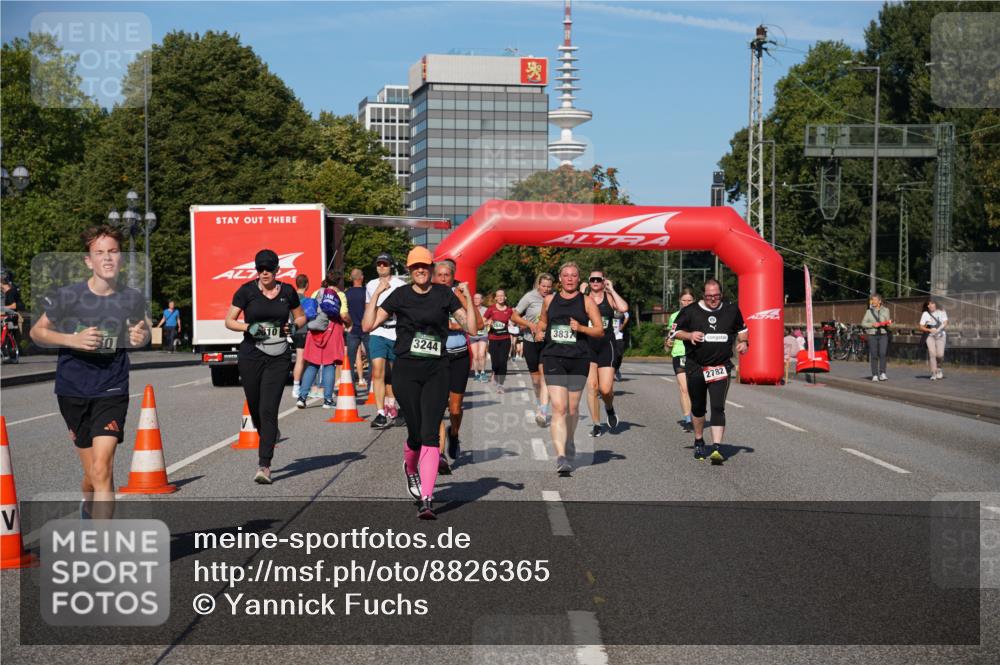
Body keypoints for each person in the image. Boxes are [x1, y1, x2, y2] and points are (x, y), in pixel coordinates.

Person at [30, 225, 151, 519]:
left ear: (120, 258)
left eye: (112, 252)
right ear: (89, 261)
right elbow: (37, 332)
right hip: (72, 389)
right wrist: (72, 339)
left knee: (102, 468)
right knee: (91, 475)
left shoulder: (131, 297)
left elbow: (141, 328)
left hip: (112, 388)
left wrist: (140, 335)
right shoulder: (69, 296)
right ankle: (88, 506)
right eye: (99, 253)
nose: (107, 258)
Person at [363, 246, 476, 519]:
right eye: (415, 267)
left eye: (425, 266)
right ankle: (410, 469)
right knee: (415, 432)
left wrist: (468, 300)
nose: (421, 271)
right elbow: (367, 326)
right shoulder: (399, 295)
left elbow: (472, 328)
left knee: (429, 433)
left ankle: (427, 498)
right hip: (406, 370)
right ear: (410, 271)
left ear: (431, 268)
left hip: (437, 369)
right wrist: (378, 293)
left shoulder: (444, 294)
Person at [225, 249, 306, 484]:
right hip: (251, 354)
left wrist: (294, 325)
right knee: (255, 406)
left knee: (268, 409)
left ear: (276, 270)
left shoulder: (288, 292)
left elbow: (301, 317)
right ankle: (269, 435)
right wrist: (248, 327)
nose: (264, 272)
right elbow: (229, 320)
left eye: (268, 268)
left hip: (278, 355)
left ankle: (264, 465)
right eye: (260, 268)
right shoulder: (246, 291)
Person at [537, 262, 604, 475]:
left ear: (578, 278)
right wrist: (539, 331)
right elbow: (542, 322)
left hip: (578, 358)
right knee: (559, 407)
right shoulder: (549, 300)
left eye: (574, 276)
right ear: (560, 278)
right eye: (566, 275)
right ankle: (561, 456)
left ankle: (571, 438)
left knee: (573, 410)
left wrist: (582, 328)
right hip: (553, 356)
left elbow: (600, 330)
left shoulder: (587, 301)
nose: (569, 279)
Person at [671, 278, 748, 464]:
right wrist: (689, 335)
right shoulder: (690, 312)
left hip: (720, 367)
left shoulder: (731, 309)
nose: (713, 299)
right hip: (696, 366)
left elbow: (742, 329)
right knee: (698, 408)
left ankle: (717, 447)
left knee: (717, 407)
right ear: (703, 295)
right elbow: (675, 333)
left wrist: (743, 342)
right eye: (709, 296)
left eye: (716, 296)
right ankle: (699, 439)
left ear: (721, 294)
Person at [433, 260, 484, 472]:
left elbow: (479, 324)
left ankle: (454, 434)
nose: (444, 278)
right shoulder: (429, 294)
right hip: (436, 357)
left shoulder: (458, 294)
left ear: (452, 277)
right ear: (434, 276)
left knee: (454, 408)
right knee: (436, 408)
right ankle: (439, 454)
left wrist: (455, 321)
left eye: (447, 275)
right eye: (440, 275)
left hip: (459, 356)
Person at [584, 270, 629, 437]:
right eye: (592, 279)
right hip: (588, 345)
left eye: (599, 279)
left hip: (606, 345)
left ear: (603, 281)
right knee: (592, 387)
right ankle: (596, 424)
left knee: (605, 389)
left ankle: (609, 409)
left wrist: (612, 289)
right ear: (589, 282)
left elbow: (624, 308)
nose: (595, 282)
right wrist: (581, 292)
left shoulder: (609, 298)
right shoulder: (584, 298)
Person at [297, 275, 349, 408]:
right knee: (329, 365)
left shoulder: (317, 292)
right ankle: (327, 400)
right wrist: (350, 323)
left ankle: (302, 397)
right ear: (339, 281)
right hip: (332, 331)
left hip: (315, 331)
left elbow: (311, 310)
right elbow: (343, 315)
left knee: (312, 365)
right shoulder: (340, 295)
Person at [366, 253, 405, 429]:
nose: (382, 267)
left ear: (391, 266)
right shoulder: (371, 284)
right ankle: (380, 413)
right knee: (377, 372)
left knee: (397, 375)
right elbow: (369, 308)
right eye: (379, 264)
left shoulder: (400, 285)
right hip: (377, 331)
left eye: (385, 264)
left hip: (396, 332)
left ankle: (400, 406)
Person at [512, 273, 554, 427]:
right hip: (530, 342)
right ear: (538, 285)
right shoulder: (529, 297)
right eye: (544, 286)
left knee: (545, 377)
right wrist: (530, 325)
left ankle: (543, 410)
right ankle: (539, 402)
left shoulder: (554, 298)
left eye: (549, 286)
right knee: (536, 381)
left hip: (547, 343)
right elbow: (514, 316)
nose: (546, 289)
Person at [666, 288, 696, 433]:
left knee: (694, 389)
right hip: (679, 353)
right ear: (679, 301)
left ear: (694, 301)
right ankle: (688, 420)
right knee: (684, 388)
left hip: (695, 355)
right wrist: (668, 343)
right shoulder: (674, 316)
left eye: (689, 300)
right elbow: (669, 336)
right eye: (684, 300)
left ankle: (697, 414)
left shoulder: (699, 315)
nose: (686, 303)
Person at [345, 268, 371, 389]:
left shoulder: (347, 293)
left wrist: (347, 325)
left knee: (350, 361)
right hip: (367, 329)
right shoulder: (367, 292)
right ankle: (372, 387)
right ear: (362, 277)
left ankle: (351, 388)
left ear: (351, 278)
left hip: (352, 330)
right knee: (372, 359)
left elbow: (344, 313)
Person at [484, 289, 514, 393]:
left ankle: (500, 385)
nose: (500, 297)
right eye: (498, 296)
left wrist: (514, 324)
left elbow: (515, 320)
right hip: (493, 339)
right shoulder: (491, 309)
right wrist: (488, 322)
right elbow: (483, 321)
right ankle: (495, 374)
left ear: (505, 297)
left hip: (505, 339)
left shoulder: (509, 310)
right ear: (495, 298)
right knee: (495, 363)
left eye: (502, 296)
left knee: (503, 362)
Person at [861, 293, 892, 382]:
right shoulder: (868, 311)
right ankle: (874, 374)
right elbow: (863, 323)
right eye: (872, 300)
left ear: (879, 301)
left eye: (874, 300)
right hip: (872, 335)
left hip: (883, 334)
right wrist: (872, 324)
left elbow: (887, 321)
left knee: (882, 353)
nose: (873, 302)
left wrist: (887, 323)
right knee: (874, 354)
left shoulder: (886, 310)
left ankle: (882, 373)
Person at [290, 274, 311, 398]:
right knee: (301, 359)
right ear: (307, 284)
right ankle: (297, 387)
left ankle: (302, 385)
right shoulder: (306, 300)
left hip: (294, 332)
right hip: (303, 331)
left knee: (304, 360)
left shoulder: (291, 298)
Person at [919, 299, 948, 380]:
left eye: (932, 303)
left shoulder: (941, 311)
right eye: (928, 304)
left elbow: (945, 322)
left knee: (940, 354)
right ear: (927, 306)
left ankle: (939, 369)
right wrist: (929, 330)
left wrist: (938, 330)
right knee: (932, 354)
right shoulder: (925, 314)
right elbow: (921, 326)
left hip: (940, 335)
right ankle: (933, 373)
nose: (930, 305)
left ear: (935, 304)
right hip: (930, 335)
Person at [470, 293, 489, 382]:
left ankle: (483, 372)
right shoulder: (470, 310)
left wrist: (480, 324)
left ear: (482, 300)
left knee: (481, 354)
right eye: (474, 298)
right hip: (473, 335)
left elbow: (490, 321)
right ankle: (476, 373)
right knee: (475, 355)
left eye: (478, 298)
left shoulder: (486, 310)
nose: (476, 300)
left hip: (483, 335)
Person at [612, 309, 630, 381]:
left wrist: (623, 325)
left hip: (618, 335)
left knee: (619, 355)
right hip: (608, 335)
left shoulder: (619, 307)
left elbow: (627, 316)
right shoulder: (605, 305)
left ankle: (616, 369)